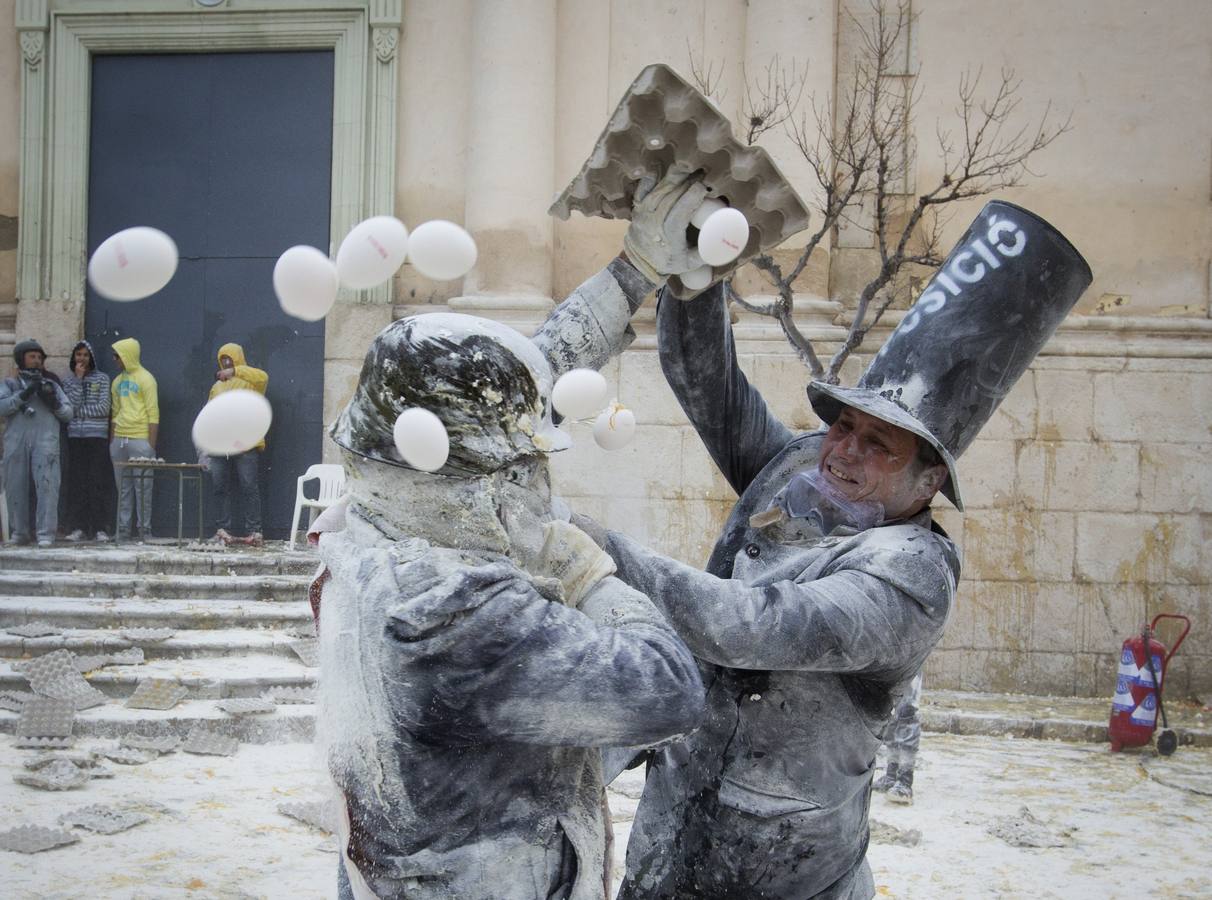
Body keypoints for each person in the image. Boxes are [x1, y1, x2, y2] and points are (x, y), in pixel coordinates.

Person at [590, 199, 1093, 899]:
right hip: (671, 853)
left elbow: (750, 625)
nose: (843, 452)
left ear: (929, 478)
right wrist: (695, 276)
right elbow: (707, 383)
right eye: (844, 426)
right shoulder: (801, 470)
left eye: (878, 443)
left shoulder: (911, 574)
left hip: (785, 876)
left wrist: (592, 548)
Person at [317, 310, 705, 900]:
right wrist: (585, 571)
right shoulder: (451, 613)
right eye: (519, 471)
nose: (535, 489)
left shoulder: (372, 519)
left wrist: (631, 275)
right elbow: (668, 688)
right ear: (460, 480)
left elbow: (473, 383)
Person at [0, 339, 73, 547]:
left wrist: (53, 402)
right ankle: (19, 532)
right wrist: (23, 395)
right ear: (20, 359)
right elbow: (2, 407)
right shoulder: (9, 384)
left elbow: (68, 413)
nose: (36, 361)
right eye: (32, 356)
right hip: (16, 441)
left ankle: (45, 533)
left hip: (45, 440)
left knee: (48, 485)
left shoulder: (52, 385)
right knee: (15, 486)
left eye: (39, 357)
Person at [202, 342, 268, 545]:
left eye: (230, 359)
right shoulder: (216, 387)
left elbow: (263, 376)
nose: (226, 363)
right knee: (220, 488)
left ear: (238, 359)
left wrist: (236, 371)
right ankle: (223, 529)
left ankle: (255, 531)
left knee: (249, 487)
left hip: (246, 444)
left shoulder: (253, 383)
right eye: (223, 360)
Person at [61, 340, 116, 542]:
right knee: (77, 483)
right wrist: (78, 380)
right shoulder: (68, 382)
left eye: (85, 355)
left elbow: (103, 409)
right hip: (75, 438)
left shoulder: (102, 379)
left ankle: (100, 528)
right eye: (78, 355)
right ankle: (78, 527)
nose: (81, 359)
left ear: (91, 357)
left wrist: (80, 412)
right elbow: (69, 408)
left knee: (97, 482)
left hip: (97, 437)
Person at [109, 337, 159, 541]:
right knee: (123, 488)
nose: (114, 360)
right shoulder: (117, 381)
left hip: (140, 438)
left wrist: (150, 446)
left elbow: (153, 413)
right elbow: (115, 411)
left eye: (117, 356)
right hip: (120, 439)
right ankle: (122, 530)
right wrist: (112, 441)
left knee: (143, 486)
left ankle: (144, 530)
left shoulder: (146, 379)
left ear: (126, 356)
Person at [872, 671, 922, 804]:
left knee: (907, 710)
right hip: (891, 659)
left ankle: (905, 781)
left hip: (910, 655)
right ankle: (891, 775)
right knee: (889, 709)